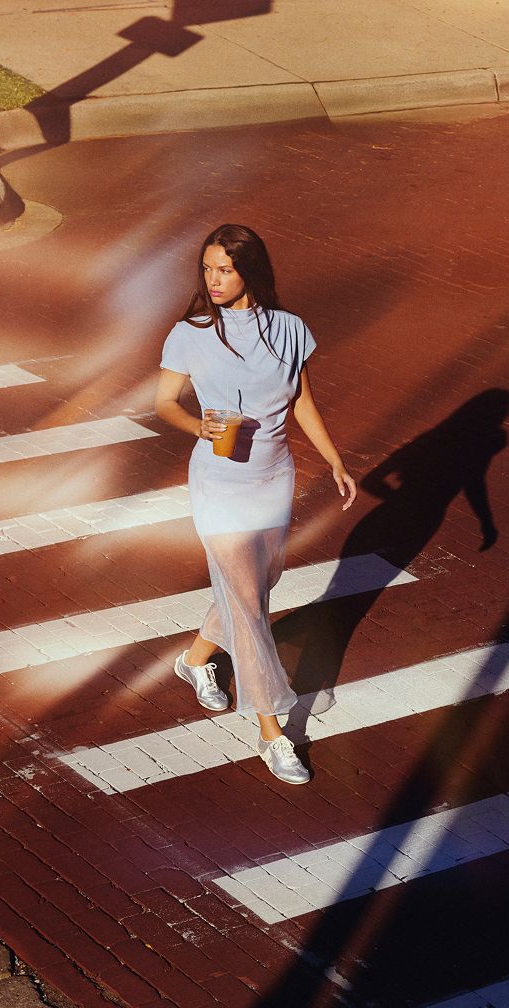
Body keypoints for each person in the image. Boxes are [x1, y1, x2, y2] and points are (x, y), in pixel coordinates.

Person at [153, 223, 356, 784]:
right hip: (218, 481)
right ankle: (273, 732)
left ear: (250, 272)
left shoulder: (289, 329)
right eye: (207, 269)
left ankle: (194, 660)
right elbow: (164, 402)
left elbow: (303, 404)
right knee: (248, 601)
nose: (213, 280)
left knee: (256, 585)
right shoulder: (190, 332)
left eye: (225, 270)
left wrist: (335, 460)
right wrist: (200, 425)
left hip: (274, 477)